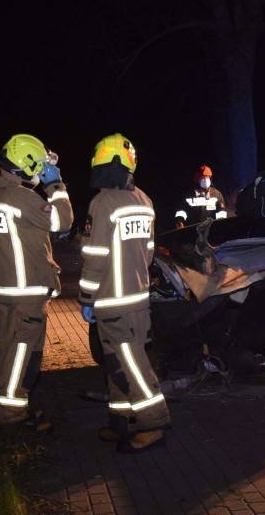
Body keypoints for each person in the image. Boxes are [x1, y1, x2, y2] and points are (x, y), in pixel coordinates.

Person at [78, 133, 170, 454]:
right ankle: (121, 422)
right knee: (119, 362)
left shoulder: (102, 202)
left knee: (129, 365)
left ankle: (153, 422)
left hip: (112, 302)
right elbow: (148, 253)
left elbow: (95, 255)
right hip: (138, 301)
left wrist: (87, 298)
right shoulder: (144, 201)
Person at [0, 134, 74, 430]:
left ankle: (2, 405)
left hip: (6, 290)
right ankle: (13, 418)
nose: (39, 172)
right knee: (24, 355)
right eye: (37, 167)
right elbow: (63, 222)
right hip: (26, 293)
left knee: (7, 350)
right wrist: (55, 185)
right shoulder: (22, 198)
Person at [174, 164, 227, 228]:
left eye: (207, 178)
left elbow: (222, 210)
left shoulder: (216, 194)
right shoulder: (189, 195)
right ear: (197, 180)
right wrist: (180, 221)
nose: (205, 180)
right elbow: (182, 210)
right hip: (193, 229)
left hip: (211, 229)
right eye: (202, 178)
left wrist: (221, 222)